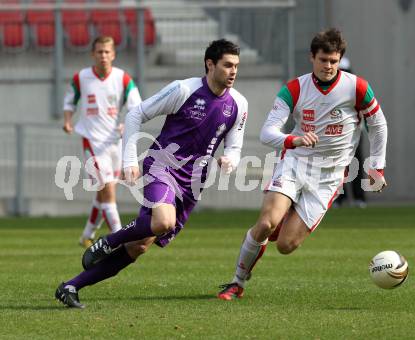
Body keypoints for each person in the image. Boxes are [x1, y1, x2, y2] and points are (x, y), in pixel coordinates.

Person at [55, 39, 248, 308]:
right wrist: (131, 160)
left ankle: (71, 286)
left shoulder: (239, 104)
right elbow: (136, 114)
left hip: (193, 183)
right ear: (210, 64)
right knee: (163, 222)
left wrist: (231, 158)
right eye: (227, 65)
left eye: (236, 66)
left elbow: (235, 144)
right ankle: (108, 240)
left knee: (139, 246)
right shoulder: (183, 89)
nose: (233, 71)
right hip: (162, 167)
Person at [217, 28, 388, 300]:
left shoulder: (357, 87)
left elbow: (378, 125)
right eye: (323, 60)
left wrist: (376, 167)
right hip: (295, 164)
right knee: (265, 224)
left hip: (329, 178)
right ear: (312, 57)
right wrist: (293, 140)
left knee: (285, 245)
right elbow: (267, 132)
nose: (329, 66)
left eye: (334, 61)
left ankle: (285, 216)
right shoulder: (295, 88)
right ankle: (237, 282)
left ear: (339, 59)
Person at [63, 36, 142, 248]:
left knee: (102, 192)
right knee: (108, 190)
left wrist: (128, 123)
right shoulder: (81, 77)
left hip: (114, 143)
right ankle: (120, 238)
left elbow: (137, 106)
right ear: (93, 54)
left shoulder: (123, 78)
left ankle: (86, 236)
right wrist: (68, 120)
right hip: (92, 140)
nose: (103, 56)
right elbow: (69, 100)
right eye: (99, 52)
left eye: (107, 52)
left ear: (113, 54)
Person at [333, 56, 367, 208]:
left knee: (356, 164)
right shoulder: (331, 91)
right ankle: (339, 198)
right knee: (337, 167)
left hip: (354, 133)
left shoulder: (355, 89)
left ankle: (359, 197)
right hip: (335, 134)